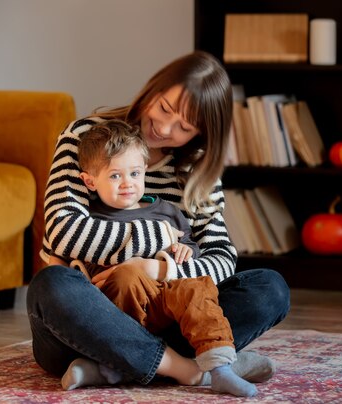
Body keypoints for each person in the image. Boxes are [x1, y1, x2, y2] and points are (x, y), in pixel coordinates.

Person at [27, 50, 290, 390]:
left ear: (201, 133)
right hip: (87, 321)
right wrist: (161, 237)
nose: (164, 128)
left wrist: (159, 271)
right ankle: (188, 367)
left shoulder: (199, 169)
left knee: (270, 288)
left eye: (184, 126)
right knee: (53, 285)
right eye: (164, 108)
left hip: (166, 312)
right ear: (153, 90)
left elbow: (222, 259)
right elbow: (64, 233)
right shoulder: (85, 137)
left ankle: (120, 363)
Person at [56, 119, 256, 396]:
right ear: (90, 181)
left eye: (135, 174)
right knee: (127, 274)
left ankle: (219, 367)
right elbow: (72, 259)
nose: (128, 184)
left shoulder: (166, 211)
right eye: (115, 176)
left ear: (145, 171)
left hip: (164, 304)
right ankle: (130, 362)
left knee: (196, 286)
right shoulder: (92, 218)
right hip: (117, 310)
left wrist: (183, 251)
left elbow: (190, 249)